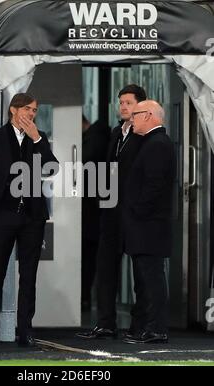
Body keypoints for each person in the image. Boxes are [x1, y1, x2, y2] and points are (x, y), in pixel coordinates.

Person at [0, 93, 58, 348]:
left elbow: (52, 168)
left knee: (29, 277)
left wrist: (36, 138)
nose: (31, 114)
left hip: (32, 217)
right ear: (13, 110)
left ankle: (25, 332)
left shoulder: (39, 138)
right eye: (27, 109)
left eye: (34, 110)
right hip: (3, 216)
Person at [77, 84, 146, 339]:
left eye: (128, 102)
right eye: (121, 102)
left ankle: (140, 326)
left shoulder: (146, 135)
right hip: (110, 211)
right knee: (105, 267)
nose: (124, 106)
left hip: (135, 213)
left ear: (141, 105)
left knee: (140, 272)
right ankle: (105, 323)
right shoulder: (116, 132)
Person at [122, 100, 176, 344]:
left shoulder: (157, 144)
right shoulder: (151, 142)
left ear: (150, 115)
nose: (131, 118)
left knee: (152, 278)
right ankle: (149, 326)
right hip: (146, 224)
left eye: (136, 114)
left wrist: (138, 211)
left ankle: (156, 328)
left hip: (149, 225)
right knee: (147, 278)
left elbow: (154, 186)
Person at [81, 115, 110, 311]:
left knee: (90, 257)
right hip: (97, 208)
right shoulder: (101, 137)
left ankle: (85, 298)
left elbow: (86, 162)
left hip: (93, 210)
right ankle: (86, 298)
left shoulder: (95, 140)